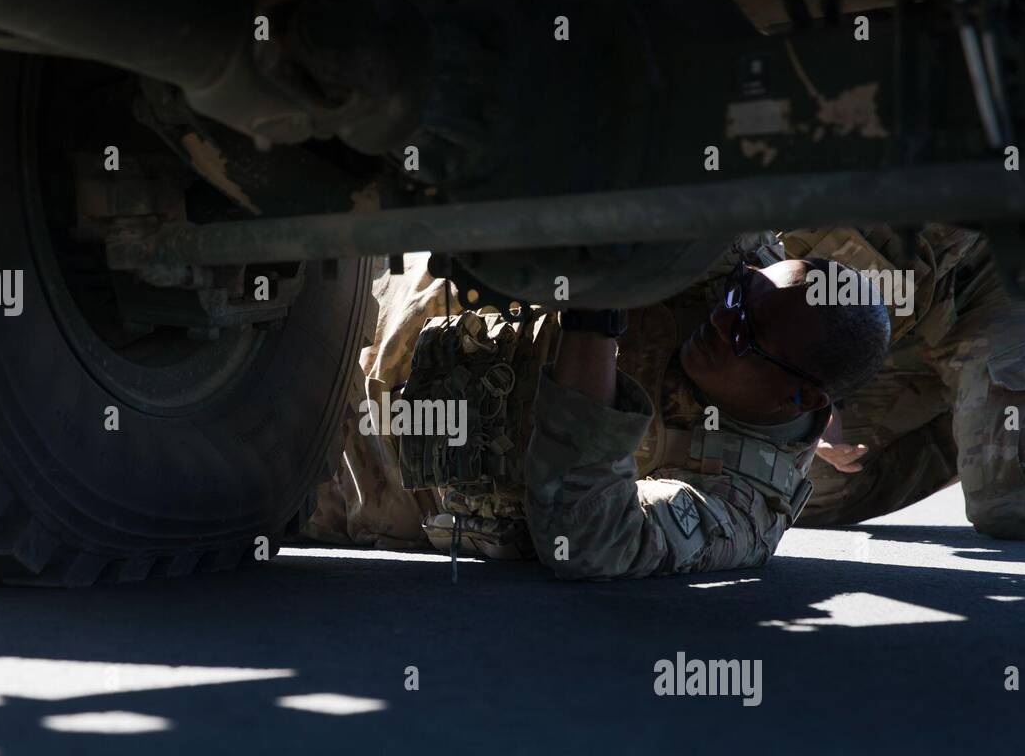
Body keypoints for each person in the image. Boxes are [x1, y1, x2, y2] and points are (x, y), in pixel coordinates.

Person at [305, 244, 893, 580]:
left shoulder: (743, 505)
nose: (720, 318)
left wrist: (596, 313)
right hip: (357, 293)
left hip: (337, 465)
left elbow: (592, 539)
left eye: (746, 333)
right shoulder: (735, 261)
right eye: (741, 294)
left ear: (804, 397)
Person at [782, 225, 1025, 540]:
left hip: (1004, 282)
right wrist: (817, 388)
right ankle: (978, 420)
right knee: (795, 484)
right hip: (884, 323)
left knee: (1019, 506)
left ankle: (1010, 419)